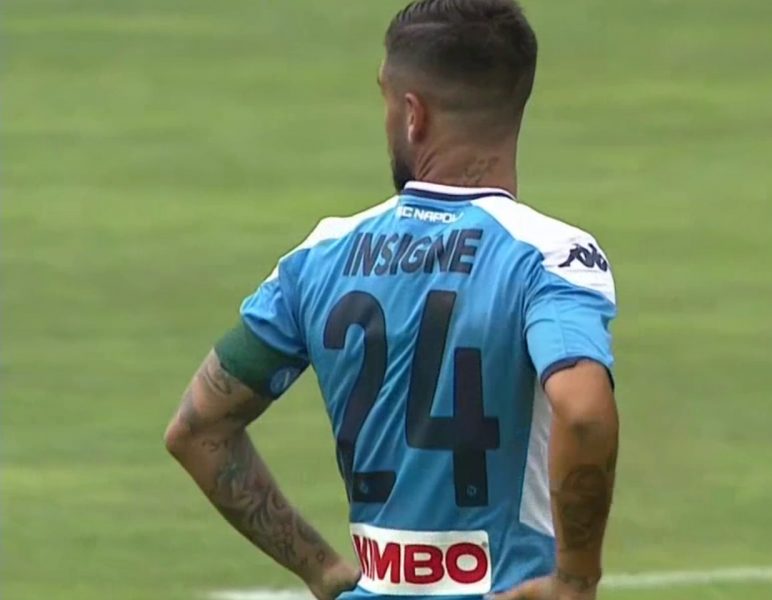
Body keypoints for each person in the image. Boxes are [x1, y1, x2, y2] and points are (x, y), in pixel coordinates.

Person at [164, 1, 619, 598]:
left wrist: (321, 568)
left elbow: (198, 429)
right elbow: (582, 412)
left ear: (413, 114)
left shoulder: (320, 257)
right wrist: (576, 579)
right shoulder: (549, 256)